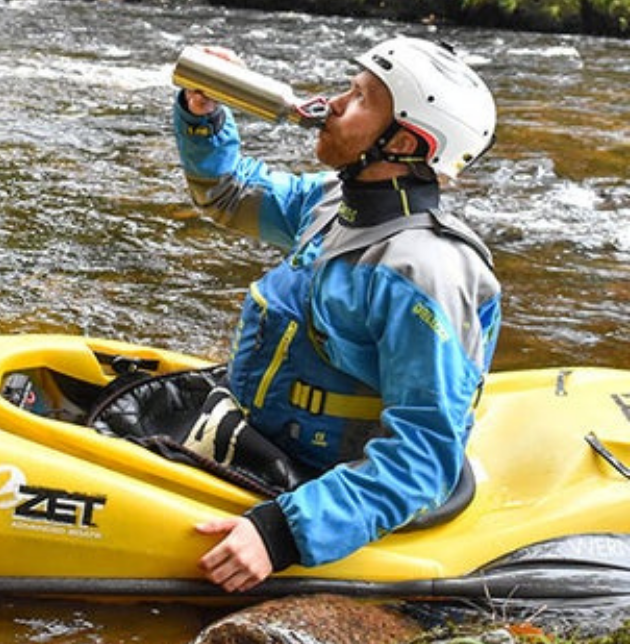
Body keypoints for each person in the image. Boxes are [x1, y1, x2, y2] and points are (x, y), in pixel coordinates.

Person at [171, 37, 502, 593]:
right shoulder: (333, 203)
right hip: (269, 437)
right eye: (349, 87)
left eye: (361, 98)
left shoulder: (424, 274)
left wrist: (282, 534)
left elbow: (422, 456)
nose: (333, 102)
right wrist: (203, 116)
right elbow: (227, 194)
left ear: (402, 141)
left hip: (325, 479)